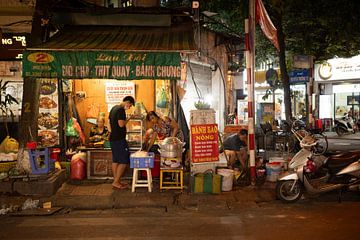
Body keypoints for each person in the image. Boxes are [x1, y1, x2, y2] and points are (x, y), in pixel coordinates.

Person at [108, 96, 135, 190]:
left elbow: (109, 123)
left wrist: (112, 132)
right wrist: (129, 118)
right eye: (130, 105)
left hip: (113, 138)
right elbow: (121, 124)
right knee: (124, 160)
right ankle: (116, 181)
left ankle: (116, 181)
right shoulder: (121, 110)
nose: (129, 107)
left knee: (115, 160)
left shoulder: (114, 108)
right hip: (119, 139)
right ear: (127, 102)